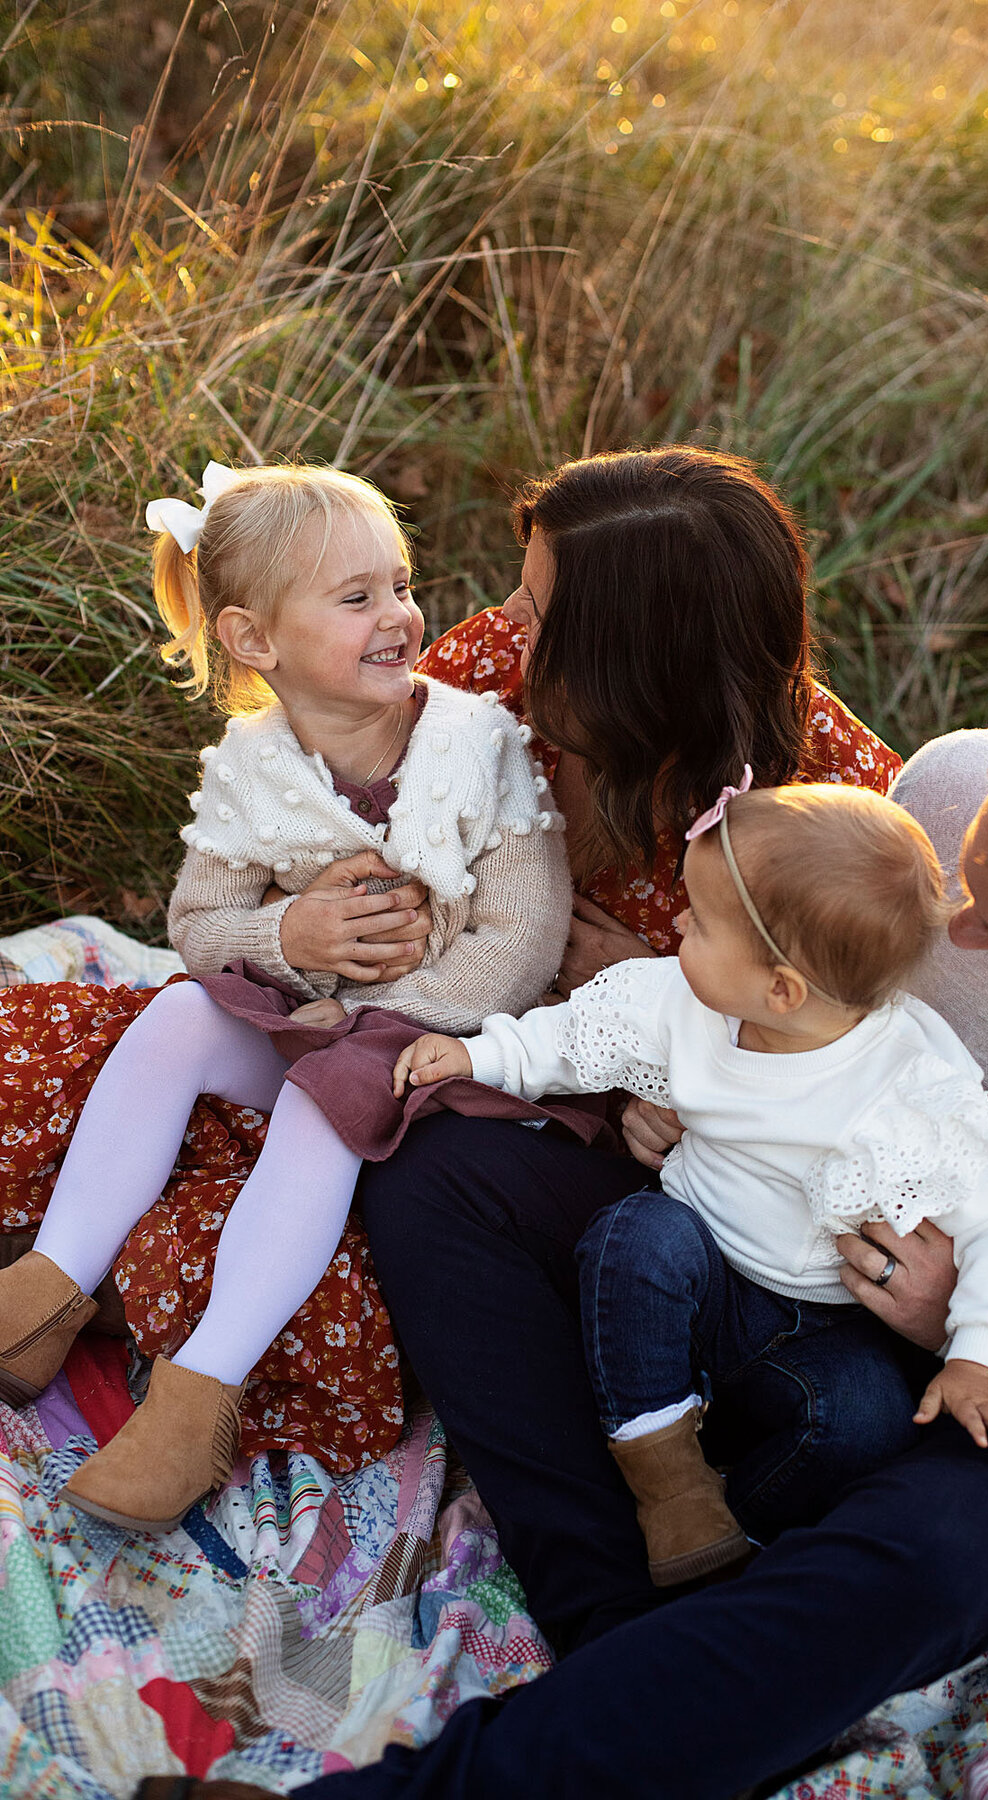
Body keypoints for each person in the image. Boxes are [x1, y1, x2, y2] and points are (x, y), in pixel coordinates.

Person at [184, 669, 988, 1800]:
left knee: (927, 1566)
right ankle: (636, 1631)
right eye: (972, 873)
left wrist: (981, 1331)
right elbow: (811, 999)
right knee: (441, 1167)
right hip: (769, 1240)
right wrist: (702, 1082)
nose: (958, 928)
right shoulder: (951, 783)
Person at [0, 445, 899, 1472]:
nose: (504, 622)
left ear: (637, 662)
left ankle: (183, 1372)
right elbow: (337, 835)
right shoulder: (487, 680)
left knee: (312, 1219)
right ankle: (48, 1292)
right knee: (85, 1068)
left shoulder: (833, 816)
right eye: (519, 589)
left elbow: (850, 1061)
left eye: (540, 610)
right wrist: (300, 924)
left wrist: (638, 1015)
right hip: (349, 1015)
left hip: (527, 1110)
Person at [0, 458, 573, 1533]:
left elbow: (524, 943)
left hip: (448, 1059)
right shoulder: (254, 765)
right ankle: (45, 1289)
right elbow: (197, 927)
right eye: (356, 600)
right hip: (314, 1028)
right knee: (177, 1010)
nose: (400, 616)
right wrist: (289, 935)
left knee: (329, 1086)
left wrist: (377, 1022)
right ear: (255, 641)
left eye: (399, 585)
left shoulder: (479, 746)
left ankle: (199, 1394)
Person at [398, 779, 988, 1583]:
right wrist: (479, 1057)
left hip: (826, 1323)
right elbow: (574, 1034)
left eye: (699, 923)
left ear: (782, 987)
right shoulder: (685, 1000)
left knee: (866, 1420)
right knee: (635, 1239)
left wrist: (978, 1354)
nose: (673, 928)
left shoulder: (908, 1080)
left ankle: (730, 1531)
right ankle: (665, 1479)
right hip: (698, 1277)